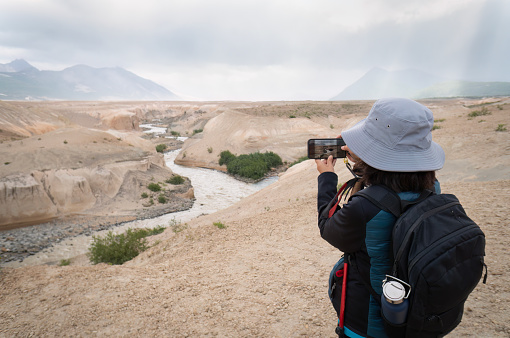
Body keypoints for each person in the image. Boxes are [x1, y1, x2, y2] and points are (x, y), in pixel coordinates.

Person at [315, 98, 445, 338]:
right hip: (416, 308)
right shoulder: (432, 188)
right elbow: (397, 179)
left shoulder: (365, 206)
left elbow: (328, 226)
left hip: (368, 322)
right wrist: (366, 162)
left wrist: (326, 178)